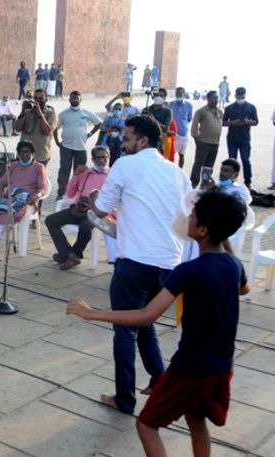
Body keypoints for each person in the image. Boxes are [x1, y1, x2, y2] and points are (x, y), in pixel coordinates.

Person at [68, 190, 248, 457]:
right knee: (196, 418)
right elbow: (243, 289)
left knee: (147, 425)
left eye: (193, 216)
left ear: (202, 229)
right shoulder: (233, 265)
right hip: (221, 366)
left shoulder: (188, 271)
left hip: (191, 368)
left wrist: (91, 313)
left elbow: (146, 316)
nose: (187, 218)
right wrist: (224, 240)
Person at [89, 115, 192, 415]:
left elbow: (101, 208)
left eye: (128, 137)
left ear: (143, 141)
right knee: (144, 322)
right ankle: (160, 381)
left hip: (135, 261)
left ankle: (125, 399)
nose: (123, 142)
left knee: (124, 329)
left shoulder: (125, 165)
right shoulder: (176, 172)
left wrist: (93, 200)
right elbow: (186, 216)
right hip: (169, 263)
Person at [0, 141, 48, 254]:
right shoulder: (14, 166)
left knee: (5, 216)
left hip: (26, 202)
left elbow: (42, 188)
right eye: (22, 152)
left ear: (33, 153)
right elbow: (2, 182)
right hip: (9, 200)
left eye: (27, 152)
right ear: (18, 154)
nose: (25, 155)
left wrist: (36, 196)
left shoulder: (39, 167)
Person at [45, 147, 110, 270]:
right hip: (78, 209)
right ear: (93, 159)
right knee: (50, 220)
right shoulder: (85, 173)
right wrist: (75, 175)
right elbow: (69, 194)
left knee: (85, 227)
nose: (102, 160)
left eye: (104, 157)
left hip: (96, 212)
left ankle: (72, 255)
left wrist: (94, 205)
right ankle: (68, 254)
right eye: (98, 157)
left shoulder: (112, 176)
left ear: (108, 157)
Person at [53, 90, 102, 199]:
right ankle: (61, 193)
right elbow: (54, 128)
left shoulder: (85, 112)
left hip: (81, 147)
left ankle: (77, 193)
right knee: (64, 170)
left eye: (77, 98)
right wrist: (57, 141)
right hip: (66, 147)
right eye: (73, 98)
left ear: (81, 99)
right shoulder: (63, 114)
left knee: (80, 172)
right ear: (69, 99)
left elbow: (98, 123)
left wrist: (89, 134)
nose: (74, 99)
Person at [222, 87, 258, 188]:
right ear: (235, 96)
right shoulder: (229, 108)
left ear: (245, 96)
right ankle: (230, 181)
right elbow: (223, 122)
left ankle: (248, 181)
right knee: (232, 161)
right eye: (238, 97)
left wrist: (248, 122)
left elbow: (256, 122)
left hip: (244, 138)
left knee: (246, 160)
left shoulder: (251, 107)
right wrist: (233, 122)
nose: (240, 98)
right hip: (232, 138)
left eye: (242, 97)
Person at [189, 91, 224, 187]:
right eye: (213, 98)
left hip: (215, 143)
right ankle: (193, 184)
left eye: (217, 98)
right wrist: (197, 140)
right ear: (208, 99)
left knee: (209, 166)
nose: (216, 100)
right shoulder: (201, 111)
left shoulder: (220, 112)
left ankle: (204, 184)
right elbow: (194, 126)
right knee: (198, 164)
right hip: (203, 142)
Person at [15, 89, 57, 166]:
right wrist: (23, 110)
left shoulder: (51, 113)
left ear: (46, 99)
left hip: (40, 155)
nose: (38, 101)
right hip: (23, 154)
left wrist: (39, 112)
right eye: (36, 98)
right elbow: (17, 129)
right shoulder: (28, 112)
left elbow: (47, 131)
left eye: (41, 98)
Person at [170, 87, 193, 168]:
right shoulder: (171, 104)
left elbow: (189, 118)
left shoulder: (189, 105)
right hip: (173, 133)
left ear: (184, 94)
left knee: (182, 155)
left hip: (184, 133)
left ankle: (180, 170)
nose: (178, 95)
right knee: (171, 154)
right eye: (177, 94)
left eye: (180, 94)